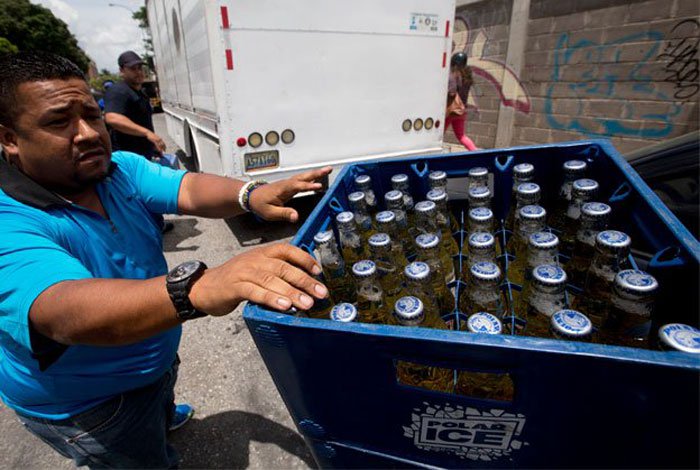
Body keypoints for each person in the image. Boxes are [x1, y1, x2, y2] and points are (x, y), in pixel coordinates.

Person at [0, 51, 332, 469]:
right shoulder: (8, 218)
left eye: (92, 115)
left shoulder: (118, 169)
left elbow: (188, 188)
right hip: (92, 407)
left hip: (152, 356)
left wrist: (250, 195)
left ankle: (160, 410)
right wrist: (197, 287)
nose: (86, 133)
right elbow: (64, 311)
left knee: (159, 394)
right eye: (57, 122)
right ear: (9, 138)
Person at [104, 51, 165, 160]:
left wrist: (152, 145)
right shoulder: (118, 91)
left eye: (140, 68)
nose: (138, 72)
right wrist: (147, 133)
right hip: (128, 159)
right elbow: (112, 118)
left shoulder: (140, 93)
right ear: (122, 71)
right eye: (133, 69)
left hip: (143, 156)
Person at [445, 52, 478, 151]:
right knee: (462, 136)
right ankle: (476, 153)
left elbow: (451, 92)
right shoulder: (466, 77)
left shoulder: (453, 75)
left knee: (438, 135)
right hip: (461, 111)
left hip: (451, 112)